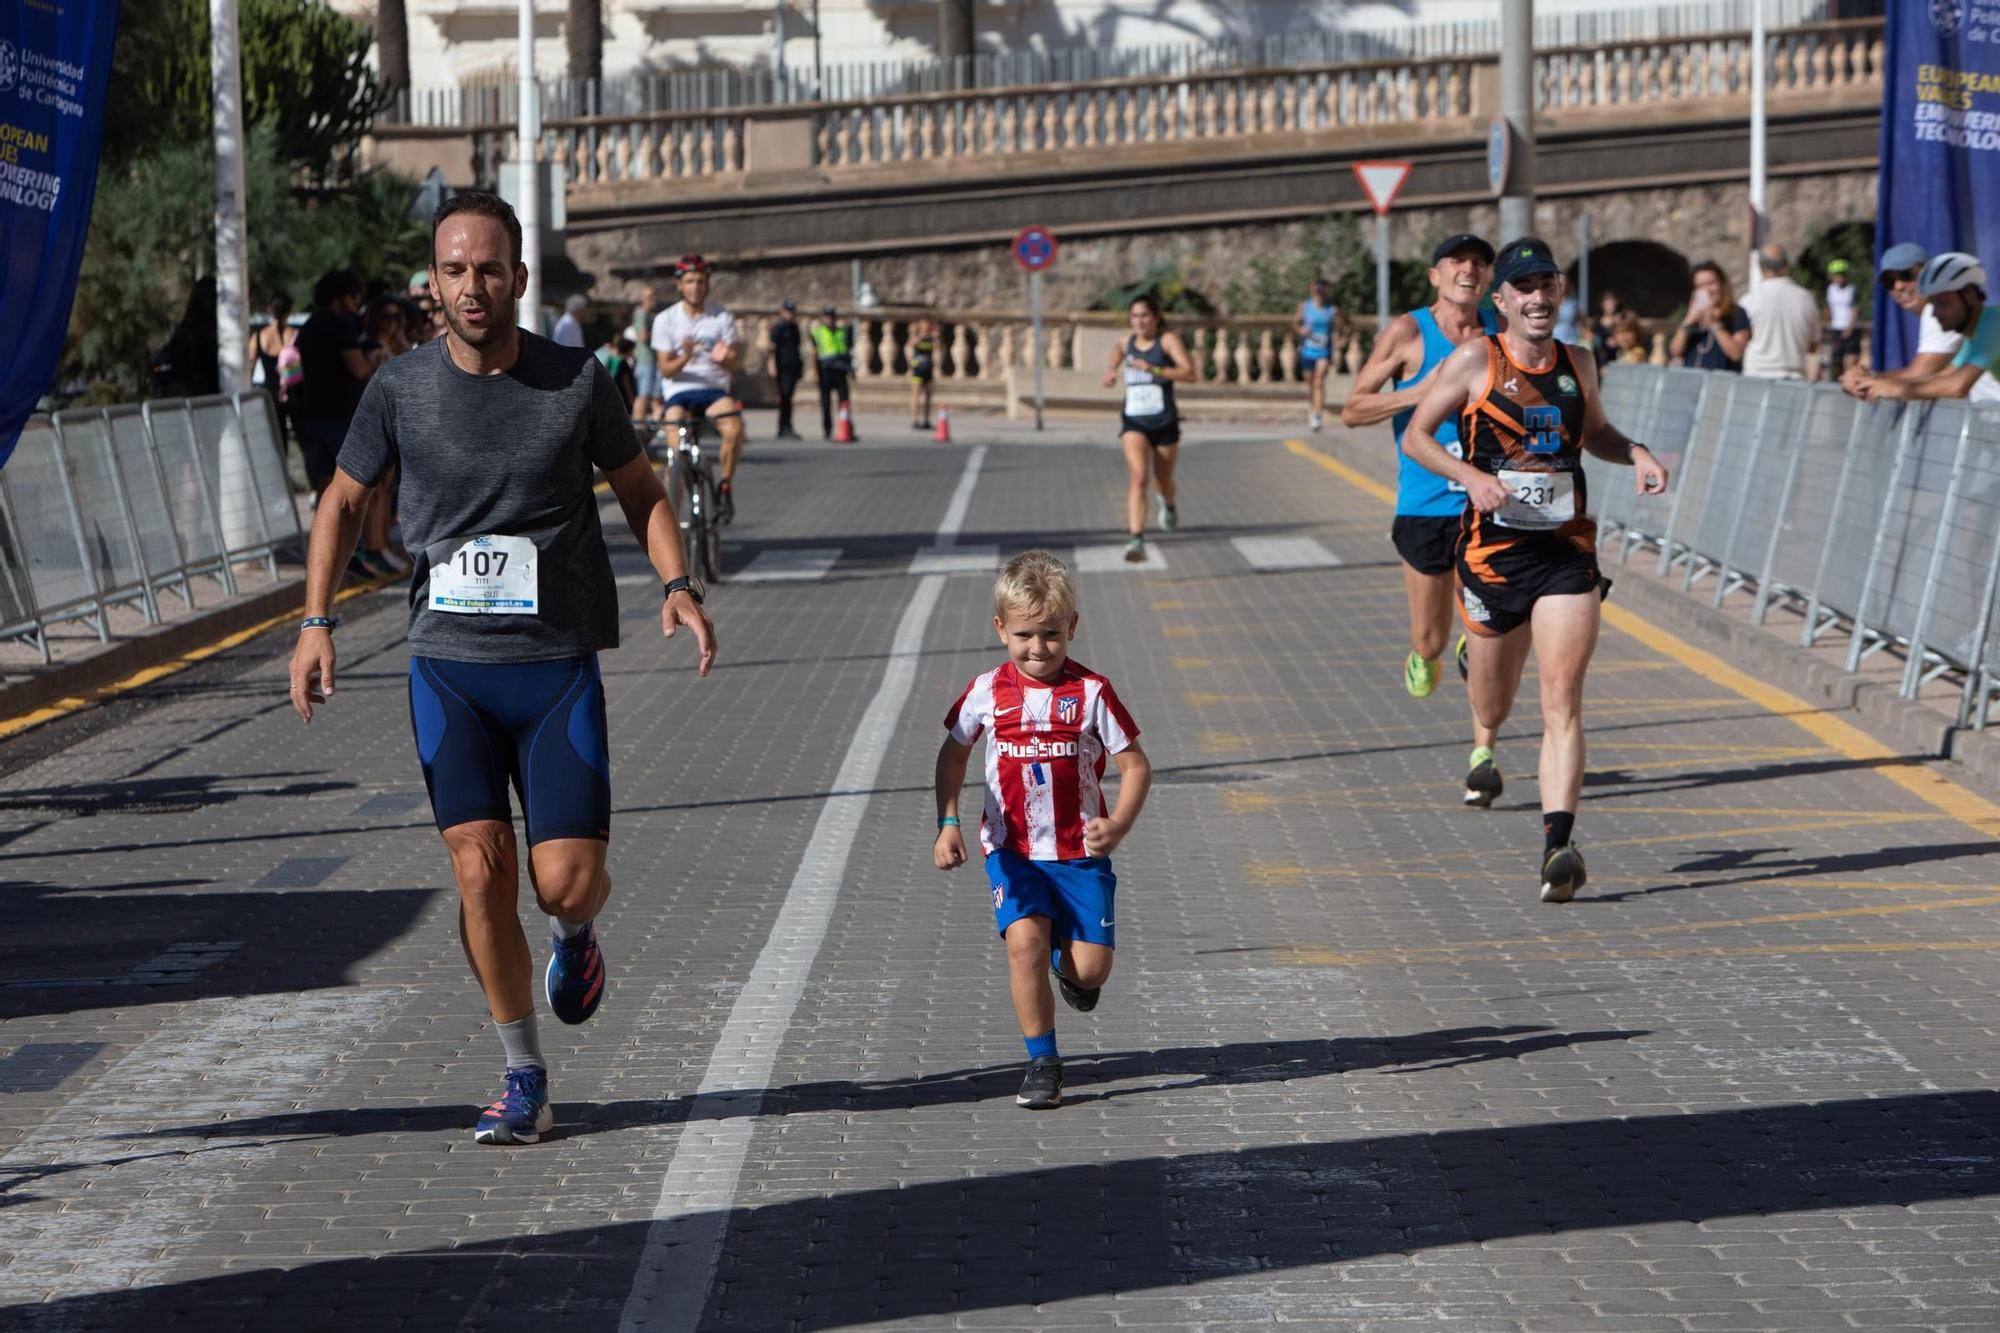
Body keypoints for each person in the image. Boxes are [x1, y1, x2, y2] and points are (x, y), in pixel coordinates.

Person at [287, 190, 717, 1146]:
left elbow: (640, 488)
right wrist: (316, 620)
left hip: (554, 664)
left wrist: (679, 582)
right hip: (449, 666)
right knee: (479, 869)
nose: (471, 286)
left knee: (562, 882)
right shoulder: (398, 388)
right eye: (453, 270)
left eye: (488, 269)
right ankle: (524, 1075)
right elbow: (343, 498)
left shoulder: (578, 380)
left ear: (518, 278)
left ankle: (575, 935)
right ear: (431, 282)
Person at [1401, 237, 1669, 903]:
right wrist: (1469, 476)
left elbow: (1596, 433)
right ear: (1503, 301)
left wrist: (1634, 452)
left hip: (1565, 552)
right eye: (1524, 287)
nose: (1539, 297)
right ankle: (1482, 716)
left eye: (1548, 284)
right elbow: (1416, 436)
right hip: (1492, 555)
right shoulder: (1474, 359)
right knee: (1493, 699)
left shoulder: (1578, 361)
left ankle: (1559, 844)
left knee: (1562, 698)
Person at [932, 549, 1151, 1110]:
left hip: (1079, 853)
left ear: (1071, 628)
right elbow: (953, 755)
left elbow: (1135, 765)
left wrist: (1118, 824)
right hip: (1013, 850)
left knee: (1091, 970)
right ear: (1001, 629)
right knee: (1024, 943)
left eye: (1051, 634)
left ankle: (1067, 963)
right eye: (1025, 635)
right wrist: (949, 822)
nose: (1038, 648)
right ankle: (1043, 1062)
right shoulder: (987, 690)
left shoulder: (1093, 693)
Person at [1340, 233, 1499, 702]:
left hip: (1487, 496)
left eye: (1478, 264)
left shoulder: (1498, 332)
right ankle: (1425, 655)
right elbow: (1353, 410)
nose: (1468, 270)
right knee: (1431, 638)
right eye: (1457, 262)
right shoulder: (1408, 332)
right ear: (1435, 276)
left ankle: (1480, 639)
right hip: (1425, 502)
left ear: (1488, 278)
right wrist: (1420, 391)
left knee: (1488, 614)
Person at [650, 254, 746, 522]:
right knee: (675, 448)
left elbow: (734, 365)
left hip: (713, 388)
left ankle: (725, 485)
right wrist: (686, 355)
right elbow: (666, 369)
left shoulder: (721, 316)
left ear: (707, 284)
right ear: (680, 285)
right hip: (679, 390)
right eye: (690, 281)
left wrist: (726, 359)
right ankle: (672, 519)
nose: (696, 287)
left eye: (701, 281)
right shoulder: (666, 320)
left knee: (734, 428)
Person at [1100, 294, 1194, 564]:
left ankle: (1169, 503)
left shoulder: (1166, 341)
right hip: (1134, 421)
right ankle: (1137, 540)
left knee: (1161, 481)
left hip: (1164, 421)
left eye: (1145, 316)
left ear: (1155, 318)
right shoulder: (1125, 342)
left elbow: (1190, 372)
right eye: (1135, 316)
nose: (1139, 321)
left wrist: (1154, 368)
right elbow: (1117, 351)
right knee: (1139, 477)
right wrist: (1110, 371)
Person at [1844, 244, 2000, 404]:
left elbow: (1957, 386)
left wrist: (1891, 388)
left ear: (1970, 296)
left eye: (1942, 303)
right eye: (1932, 304)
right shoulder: (1975, 333)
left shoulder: (1995, 321)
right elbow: (1945, 376)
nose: (1934, 313)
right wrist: (1873, 382)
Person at [291, 269, 379, 501]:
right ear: (339, 296)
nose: (356, 302)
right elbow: (358, 368)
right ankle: (356, 538)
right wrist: (374, 360)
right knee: (350, 483)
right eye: (353, 296)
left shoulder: (309, 325)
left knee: (324, 481)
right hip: (341, 416)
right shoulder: (340, 326)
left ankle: (323, 535)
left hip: (313, 413)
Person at [1740, 246, 1819, 381]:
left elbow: (1741, 342)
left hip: (1756, 376)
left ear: (1760, 267)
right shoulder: (1806, 299)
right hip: (1794, 378)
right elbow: (1812, 346)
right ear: (1786, 265)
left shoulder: (1748, 301)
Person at [1669, 261, 1751, 372]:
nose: (1706, 290)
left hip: (1721, 382)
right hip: (1693, 381)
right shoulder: (1691, 314)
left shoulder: (1737, 313)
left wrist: (1714, 324)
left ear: (1721, 284)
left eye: (1711, 283)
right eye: (1700, 286)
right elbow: (1675, 351)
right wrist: (1687, 322)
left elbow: (1736, 354)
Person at [247, 293, 296, 440]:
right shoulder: (295, 335)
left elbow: (249, 367)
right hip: (293, 395)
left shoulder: (258, 337)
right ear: (289, 312)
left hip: (270, 396)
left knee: (276, 441)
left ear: (269, 310)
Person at [1294, 278, 1339, 431]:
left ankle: (1317, 416)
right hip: (1307, 351)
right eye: (1316, 290)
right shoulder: (1304, 307)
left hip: (1324, 352)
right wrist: (1301, 330)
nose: (1319, 293)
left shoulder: (1331, 310)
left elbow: (1347, 324)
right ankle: (1312, 405)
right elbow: (1295, 323)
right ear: (1312, 290)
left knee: (1319, 382)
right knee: (1310, 383)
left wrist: (1341, 339)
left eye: (1322, 290)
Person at [812, 304, 857, 441]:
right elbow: (813, 353)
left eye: (831, 317)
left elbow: (848, 352)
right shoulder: (817, 332)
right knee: (825, 402)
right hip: (825, 370)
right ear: (822, 318)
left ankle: (846, 427)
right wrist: (813, 371)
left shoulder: (842, 332)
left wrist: (852, 370)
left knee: (844, 401)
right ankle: (827, 429)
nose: (829, 320)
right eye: (827, 317)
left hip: (840, 370)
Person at [767, 300, 804, 439]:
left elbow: (798, 348)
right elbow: (772, 348)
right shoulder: (778, 328)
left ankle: (786, 425)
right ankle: (784, 426)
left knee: (788, 397)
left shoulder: (794, 327)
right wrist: (772, 365)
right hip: (782, 365)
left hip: (793, 365)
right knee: (785, 396)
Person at [1823, 259, 1861, 375]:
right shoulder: (1830, 289)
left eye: (1840, 275)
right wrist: (1826, 324)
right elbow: (1828, 308)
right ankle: (1838, 380)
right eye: (1836, 276)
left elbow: (1855, 309)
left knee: (1851, 358)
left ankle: (1851, 378)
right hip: (1836, 327)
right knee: (1836, 358)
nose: (1838, 278)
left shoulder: (1852, 289)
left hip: (1850, 328)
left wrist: (1850, 327)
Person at [628, 288, 661, 421]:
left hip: (652, 359)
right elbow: (642, 337)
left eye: (653, 297)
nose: (652, 300)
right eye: (649, 297)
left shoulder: (650, 315)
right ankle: (637, 424)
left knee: (655, 396)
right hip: (645, 359)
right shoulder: (641, 314)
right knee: (644, 395)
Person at [908, 316, 939, 430]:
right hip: (918, 370)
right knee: (915, 396)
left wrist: (935, 337)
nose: (926, 326)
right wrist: (921, 336)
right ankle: (914, 420)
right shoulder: (917, 337)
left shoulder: (932, 338)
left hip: (928, 369)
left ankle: (926, 420)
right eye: (924, 324)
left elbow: (938, 347)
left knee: (928, 397)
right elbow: (911, 343)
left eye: (928, 324)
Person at [1590, 292, 1624, 365]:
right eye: (1608, 302)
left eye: (1612, 302)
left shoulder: (1621, 320)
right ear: (1602, 304)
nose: (1610, 305)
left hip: (1616, 357)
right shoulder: (1597, 321)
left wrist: (1617, 341)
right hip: (1600, 358)